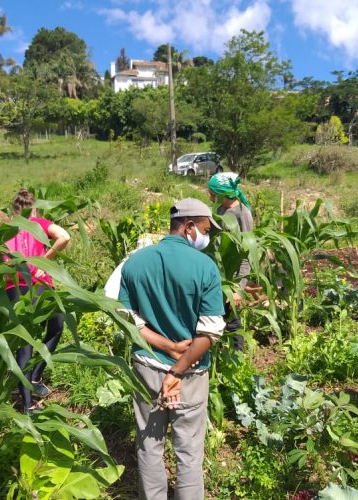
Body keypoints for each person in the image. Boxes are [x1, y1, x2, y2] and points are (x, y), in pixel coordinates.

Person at [119, 198, 226, 500]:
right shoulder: (205, 267)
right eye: (205, 229)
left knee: (149, 444)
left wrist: (165, 346)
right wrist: (177, 370)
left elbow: (128, 319)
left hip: (146, 367)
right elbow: (210, 332)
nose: (207, 237)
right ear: (189, 226)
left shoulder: (136, 263)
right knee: (189, 451)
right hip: (191, 372)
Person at [4, 188, 71, 412]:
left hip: (13, 288)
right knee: (56, 328)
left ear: (14, 210)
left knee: (24, 345)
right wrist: (44, 259)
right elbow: (64, 236)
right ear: (34, 208)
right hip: (39, 284)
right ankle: (32, 384)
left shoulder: (5, 230)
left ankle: (27, 397)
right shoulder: (38, 222)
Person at [208, 172, 253, 349]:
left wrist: (238, 289)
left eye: (211, 192)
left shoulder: (242, 213)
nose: (209, 195)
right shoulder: (220, 210)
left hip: (232, 279)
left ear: (221, 192)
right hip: (218, 275)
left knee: (232, 323)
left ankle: (237, 361)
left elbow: (247, 254)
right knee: (217, 320)